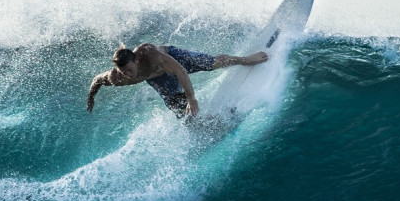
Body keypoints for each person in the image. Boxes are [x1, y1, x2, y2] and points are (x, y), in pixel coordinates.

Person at [87, 42, 268, 119]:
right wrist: (91, 97)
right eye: (124, 72)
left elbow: (180, 71)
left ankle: (245, 60)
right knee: (177, 107)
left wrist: (192, 98)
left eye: (129, 70)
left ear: (136, 60)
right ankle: (206, 123)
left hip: (174, 60)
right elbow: (97, 80)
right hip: (158, 79)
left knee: (210, 63)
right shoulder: (117, 77)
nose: (128, 75)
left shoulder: (150, 53)